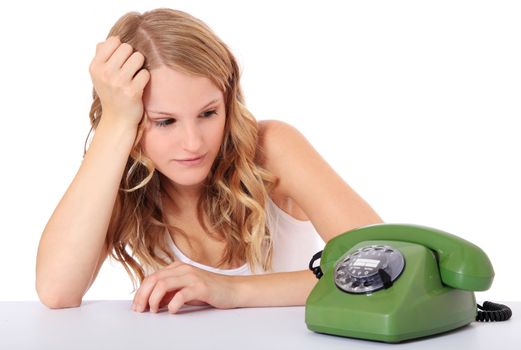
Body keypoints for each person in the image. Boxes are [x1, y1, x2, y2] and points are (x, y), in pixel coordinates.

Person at [36, 8, 383, 314]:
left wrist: (228, 289)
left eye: (208, 113)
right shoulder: (121, 174)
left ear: (228, 102)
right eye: (165, 121)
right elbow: (56, 290)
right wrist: (114, 123)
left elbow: (386, 265)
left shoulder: (272, 148)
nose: (193, 143)